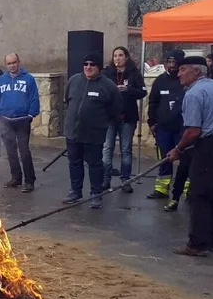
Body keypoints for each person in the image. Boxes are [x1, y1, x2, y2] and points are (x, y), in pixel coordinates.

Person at [166, 56, 213, 257]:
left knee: (198, 195)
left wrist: (178, 150)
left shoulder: (193, 94)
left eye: (183, 69)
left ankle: (198, 244)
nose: (179, 73)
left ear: (197, 72)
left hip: (209, 145)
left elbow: (193, 131)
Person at [62, 53, 123, 209]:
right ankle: (75, 192)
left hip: (94, 134)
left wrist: (100, 123)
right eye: (86, 64)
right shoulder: (74, 81)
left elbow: (116, 110)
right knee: (74, 163)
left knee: (95, 165)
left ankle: (96, 194)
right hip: (72, 132)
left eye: (92, 65)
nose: (88, 67)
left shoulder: (108, 86)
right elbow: (67, 101)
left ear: (99, 68)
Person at [0, 53, 41, 192]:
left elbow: (34, 97)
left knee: (24, 151)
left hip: (22, 121)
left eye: (14, 62)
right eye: (9, 63)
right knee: (10, 151)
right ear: (6, 65)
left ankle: (29, 181)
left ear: (19, 62)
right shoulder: (1, 80)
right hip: (5, 121)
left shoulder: (28, 79)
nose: (12, 65)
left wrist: (31, 114)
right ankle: (16, 178)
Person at [100, 46, 147, 193]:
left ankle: (125, 180)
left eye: (120, 55)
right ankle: (105, 179)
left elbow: (142, 92)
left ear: (126, 57)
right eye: (115, 56)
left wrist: (128, 90)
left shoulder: (134, 73)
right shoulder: (106, 73)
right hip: (110, 117)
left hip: (127, 117)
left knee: (126, 150)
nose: (117, 58)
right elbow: (101, 91)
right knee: (107, 148)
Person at [147, 50, 186, 200]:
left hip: (182, 129)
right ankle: (161, 190)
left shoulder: (185, 81)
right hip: (163, 128)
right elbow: (153, 102)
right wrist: (152, 122)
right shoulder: (160, 81)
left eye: (174, 63)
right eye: (169, 62)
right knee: (164, 159)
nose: (171, 66)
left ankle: (188, 190)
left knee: (186, 160)